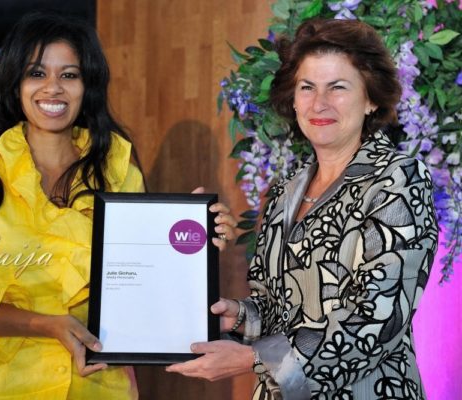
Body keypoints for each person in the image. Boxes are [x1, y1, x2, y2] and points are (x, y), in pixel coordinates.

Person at [0, 11, 235, 400]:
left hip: (99, 386)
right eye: (37, 73)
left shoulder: (119, 169)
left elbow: (143, 281)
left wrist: (193, 244)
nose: (53, 88)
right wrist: (44, 324)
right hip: (1, 386)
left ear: (86, 85)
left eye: (69, 75)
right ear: (15, 83)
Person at [167, 18, 437, 400]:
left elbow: (378, 315)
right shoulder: (285, 190)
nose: (319, 103)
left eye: (338, 88)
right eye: (307, 87)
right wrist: (239, 315)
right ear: (292, 100)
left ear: (371, 99)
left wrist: (253, 359)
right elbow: (280, 305)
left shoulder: (398, 178)